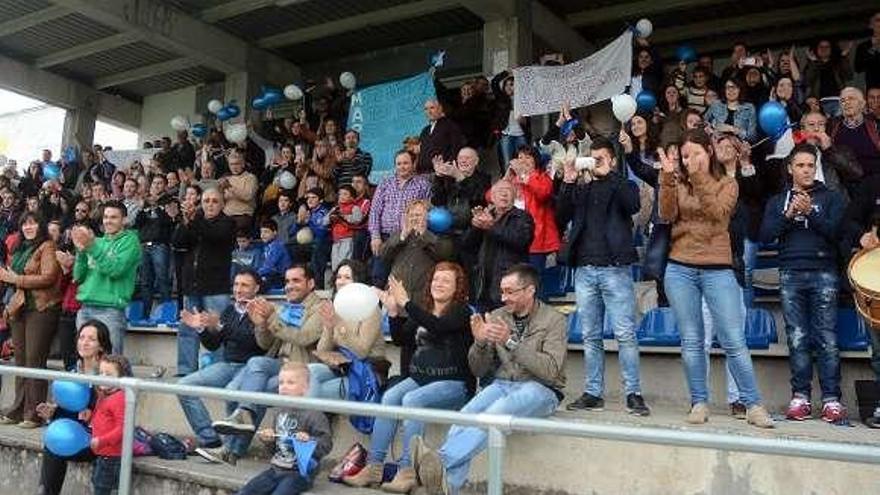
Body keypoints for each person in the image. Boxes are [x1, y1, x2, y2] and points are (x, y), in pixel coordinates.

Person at [413, 264, 566, 495]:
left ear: (530, 290)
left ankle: (440, 461)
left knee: (493, 415)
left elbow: (550, 371)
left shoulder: (554, 320)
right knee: (459, 423)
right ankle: (447, 487)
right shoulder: (496, 316)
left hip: (541, 389)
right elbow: (478, 369)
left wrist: (511, 342)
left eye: (510, 292)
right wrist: (480, 343)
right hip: (502, 383)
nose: (504, 298)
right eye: (502, 291)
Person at [657, 129, 773, 428]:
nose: (690, 159)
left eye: (696, 152)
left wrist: (697, 178)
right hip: (679, 266)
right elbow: (667, 214)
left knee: (734, 340)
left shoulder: (728, 183)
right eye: (685, 155)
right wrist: (668, 179)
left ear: (709, 152)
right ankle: (699, 401)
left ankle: (753, 404)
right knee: (692, 341)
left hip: (718, 267)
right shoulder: (679, 181)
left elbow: (718, 215)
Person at [345, 262, 473, 492]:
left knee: (413, 400)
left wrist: (406, 303)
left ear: (457, 287)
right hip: (421, 379)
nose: (439, 284)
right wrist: (394, 312)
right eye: (436, 279)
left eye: (446, 280)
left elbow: (439, 327)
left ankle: (408, 470)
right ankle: (374, 467)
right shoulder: (424, 310)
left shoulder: (462, 311)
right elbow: (401, 339)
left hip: (455, 384)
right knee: (391, 397)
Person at [557, 137, 650, 416]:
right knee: (590, 336)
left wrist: (608, 174)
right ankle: (593, 393)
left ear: (611, 159)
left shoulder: (624, 183)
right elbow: (561, 214)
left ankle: (633, 393)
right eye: (592, 157)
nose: (595, 162)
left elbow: (632, 204)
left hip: (614, 268)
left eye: (600, 158)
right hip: (584, 270)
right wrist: (570, 180)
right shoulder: (582, 188)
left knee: (624, 334)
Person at [759, 143, 847, 422]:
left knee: (827, 339)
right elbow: (764, 236)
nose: (806, 170)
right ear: (790, 169)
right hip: (790, 272)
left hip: (824, 272)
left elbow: (838, 234)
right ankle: (801, 397)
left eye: (811, 165)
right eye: (801, 165)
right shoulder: (777, 200)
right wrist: (788, 215)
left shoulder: (831, 197)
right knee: (797, 339)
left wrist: (811, 212)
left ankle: (832, 400)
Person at [201, 265, 324, 464]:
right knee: (237, 384)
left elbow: (304, 337)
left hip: (302, 368)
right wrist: (260, 324)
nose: (289, 286)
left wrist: (272, 318)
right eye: (287, 281)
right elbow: (265, 344)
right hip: (279, 364)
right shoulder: (286, 307)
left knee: (256, 390)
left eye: (296, 281)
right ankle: (235, 436)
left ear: (311, 284)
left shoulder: (320, 308)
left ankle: (230, 449)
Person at [178, 269, 267, 457]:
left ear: (256, 288)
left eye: (244, 285)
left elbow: (257, 343)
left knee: (232, 393)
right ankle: (209, 438)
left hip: (251, 368)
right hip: (227, 365)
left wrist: (219, 327)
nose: (238, 289)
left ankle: (233, 450)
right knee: (183, 386)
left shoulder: (262, 309)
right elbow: (213, 345)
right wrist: (202, 328)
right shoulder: (229, 310)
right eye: (236, 285)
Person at [36, 320, 113, 495]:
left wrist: (93, 413)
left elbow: (116, 410)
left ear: (101, 346)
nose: (84, 342)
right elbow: (69, 415)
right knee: (54, 441)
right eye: (82, 337)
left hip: (100, 438)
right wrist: (53, 412)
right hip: (77, 435)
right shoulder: (73, 370)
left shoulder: (110, 372)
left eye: (91, 339)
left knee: (58, 444)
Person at [0, 213, 62, 427]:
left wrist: (15, 278)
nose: (28, 227)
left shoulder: (47, 246)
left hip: (42, 308)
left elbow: (48, 277)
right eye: (25, 223)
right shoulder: (20, 248)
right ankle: (17, 409)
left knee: (34, 360)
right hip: (21, 308)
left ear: (41, 225)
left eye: (33, 222)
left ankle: (34, 413)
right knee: (21, 361)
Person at [237, 363, 332, 495]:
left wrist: (309, 440)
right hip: (276, 469)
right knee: (246, 491)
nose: (284, 387)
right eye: (281, 383)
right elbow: (276, 449)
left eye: (290, 383)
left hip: (299, 473)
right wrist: (268, 440)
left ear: (305, 387)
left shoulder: (314, 414)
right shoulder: (279, 412)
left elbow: (326, 445)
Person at [173, 188, 237, 376]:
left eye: (214, 201)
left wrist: (194, 219)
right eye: (206, 200)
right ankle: (186, 371)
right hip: (192, 287)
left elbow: (213, 235)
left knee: (216, 330)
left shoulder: (228, 223)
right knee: (187, 329)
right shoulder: (195, 221)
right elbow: (178, 242)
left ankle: (219, 372)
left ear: (222, 204)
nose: (210, 204)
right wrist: (185, 221)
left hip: (215, 288)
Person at [307, 260, 385, 399]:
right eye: (339, 277)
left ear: (358, 282)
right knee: (306, 373)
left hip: (366, 371)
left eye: (347, 278)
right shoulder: (335, 307)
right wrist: (329, 328)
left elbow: (361, 352)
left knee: (315, 391)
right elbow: (322, 351)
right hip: (341, 367)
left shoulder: (371, 309)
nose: (341, 282)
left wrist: (340, 324)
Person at [72, 200, 142, 354]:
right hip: (85, 308)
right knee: (85, 360)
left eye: (114, 217)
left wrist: (91, 247)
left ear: (124, 220)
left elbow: (116, 270)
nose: (108, 221)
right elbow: (78, 276)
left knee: (110, 362)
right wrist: (81, 252)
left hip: (110, 310)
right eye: (106, 217)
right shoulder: (96, 242)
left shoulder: (131, 242)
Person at [463, 179, 534, 311]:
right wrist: (475, 226)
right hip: (483, 284)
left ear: (514, 197)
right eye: (500, 192)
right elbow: (467, 245)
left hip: (508, 284)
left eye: (508, 192)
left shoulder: (522, 217)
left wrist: (491, 226)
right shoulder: (487, 216)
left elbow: (521, 241)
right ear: (492, 197)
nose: (504, 195)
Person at [368, 150, 432, 286]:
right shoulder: (385, 183)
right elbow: (375, 211)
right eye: (399, 164)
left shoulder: (423, 184)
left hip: (408, 238)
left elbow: (427, 210)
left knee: (403, 279)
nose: (402, 167)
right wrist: (375, 236)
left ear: (413, 164)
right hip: (385, 238)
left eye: (406, 163)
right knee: (378, 276)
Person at [506, 146, 560, 298]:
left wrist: (524, 175)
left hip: (535, 240)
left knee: (533, 284)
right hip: (511, 239)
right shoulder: (512, 178)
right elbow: (491, 196)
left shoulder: (542, 178)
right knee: (515, 284)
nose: (523, 160)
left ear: (536, 161)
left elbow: (543, 193)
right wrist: (507, 176)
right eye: (520, 157)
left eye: (528, 157)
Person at [89, 354, 132, 495]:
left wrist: (102, 440)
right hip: (102, 453)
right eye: (101, 373)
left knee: (102, 489)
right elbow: (101, 417)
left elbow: (123, 428)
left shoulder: (119, 398)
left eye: (109, 374)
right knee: (97, 485)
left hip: (111, 456)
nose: (103, 377)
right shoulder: (104, 395)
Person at [380, 200, 438, 299]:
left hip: (421, 298)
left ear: (428, 217)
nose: (414, 218)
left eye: (418, 215)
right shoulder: (398, 235)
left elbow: (441, 255)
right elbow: (384, 255)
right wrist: (402, 237)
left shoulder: (435, 237)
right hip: (396, 296)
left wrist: (424, 235)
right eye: (411, 215)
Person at [134, 176, 174, 315]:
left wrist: (156, 207)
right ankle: (145, 314)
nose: (156, 186)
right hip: (144, 245)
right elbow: (137, 223)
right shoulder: (145, 202)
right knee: (145, 282)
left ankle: (167, 314)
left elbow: (168, 221)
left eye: (160, 183)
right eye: (154, 183)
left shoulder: (170, 200)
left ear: (165, 185)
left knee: (162, 279)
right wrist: (141, 208)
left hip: (160, 245)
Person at [829, 87, 880, 178]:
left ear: (862, 103)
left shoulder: (875, 125)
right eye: (843, 101)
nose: (847, 103)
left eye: (851, 98)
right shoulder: (833, 127)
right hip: (844, 182)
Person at [490, 71, 530, 170]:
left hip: (521, 134)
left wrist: (523, 121)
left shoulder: (523, 100)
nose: (508, 87)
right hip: (506, 134)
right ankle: (509, 182)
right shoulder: (501, 98)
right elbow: (494, 82)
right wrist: (506, 73)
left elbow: (528, 122)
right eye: (506, 85)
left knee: (524, 160)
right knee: (507, 162)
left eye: (511, 84)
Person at [417, 99, 466, 174]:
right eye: (426, 109)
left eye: (432, 108)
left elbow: (457, 147)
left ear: (440, 108)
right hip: (424, 174)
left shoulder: (450, 125)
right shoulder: (425, 131)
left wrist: (448, 167)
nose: (429, 112)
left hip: (443, 174)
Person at [704, 78, 758, 142]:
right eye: (728, 87)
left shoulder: (749, 108)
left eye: (734, 87)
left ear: (740, 90)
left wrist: (732, 129)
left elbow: (753, 137)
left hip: (739, 147)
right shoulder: (716, 104)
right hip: (717, 145)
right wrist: (712, 128)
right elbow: (704, 123)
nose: (730, 90)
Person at [220, 149, 259, 232]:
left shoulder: (250, 178)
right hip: (226, 216)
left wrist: (230, 187)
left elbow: (247, 196)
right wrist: (220, 191)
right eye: (231, 164)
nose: (234, 167)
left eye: (237, 164)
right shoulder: (226, 179)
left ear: (243, 164)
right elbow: (220, 202)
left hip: (242, 216)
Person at [257, 219, 292, 290]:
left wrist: (254, 275)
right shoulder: (266, 247)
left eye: (266, 232)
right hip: (271, 277)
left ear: (275, 232)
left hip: (281, 279)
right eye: (261, 232)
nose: (262, 235)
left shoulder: (277, 246)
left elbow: (269, 266)